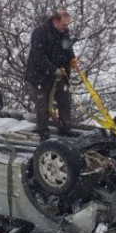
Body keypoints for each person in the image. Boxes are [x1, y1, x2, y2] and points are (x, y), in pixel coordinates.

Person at [24, 8, 78, 140]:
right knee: (43, 105)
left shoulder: (64, 31)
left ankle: (65, 129)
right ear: (55, 21)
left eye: (67, 25)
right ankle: (43, 132)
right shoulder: (40, 32)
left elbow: (67, 47)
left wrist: (72, 59)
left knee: (65, 100)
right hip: (40, 75)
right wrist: (53, 69)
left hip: (60, 74)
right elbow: (39, 56)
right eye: (64, 24)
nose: (66, 27)